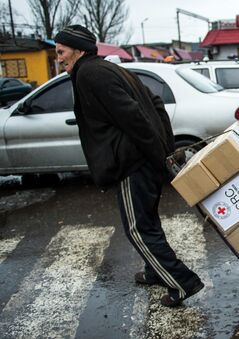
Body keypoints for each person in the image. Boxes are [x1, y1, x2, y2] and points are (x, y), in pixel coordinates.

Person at [54, 25, 204, 308]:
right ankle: (153, 270)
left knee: (137, 228)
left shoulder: (89, 74)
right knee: (147, 221)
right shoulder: (110, 69)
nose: (59, 59)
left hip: (132, 163)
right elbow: (155, 103)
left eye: (61, 52)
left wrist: (159, 155)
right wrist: (164, 149)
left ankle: (183, 282)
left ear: (79, 50)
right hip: (142, 159)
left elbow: (134, 116)